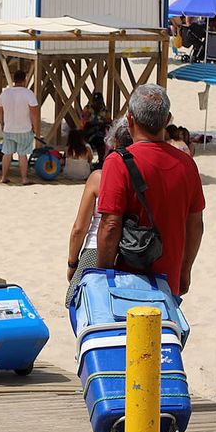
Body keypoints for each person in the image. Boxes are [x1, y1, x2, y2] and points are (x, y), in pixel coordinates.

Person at [95, 84, 205, 298]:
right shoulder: (186, 164)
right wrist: (185, 270)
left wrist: (102, 275)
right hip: (167, 280)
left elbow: (110, 225)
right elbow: (195, 225)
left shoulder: (118, 163)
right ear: (167, 120)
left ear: (130, 119)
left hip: (126, 281)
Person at [65, 121, 132, 306]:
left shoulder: (98, 178)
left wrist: (72, 263)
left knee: (75, 301)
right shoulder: (147, 175)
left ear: (114, 143)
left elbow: (79, 228)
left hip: (97, 248)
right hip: (134, 249)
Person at [0, 69, 41, 185]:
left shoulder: (5, 93)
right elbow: (35, 113)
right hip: (24, 129)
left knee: (7, 153)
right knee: (22, 154)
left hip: (9, 128)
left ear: (14, 80)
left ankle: (4, 177)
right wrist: (35, 128)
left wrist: (2, 123)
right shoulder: (28, 93)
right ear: (24, 80)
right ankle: (24, 178)